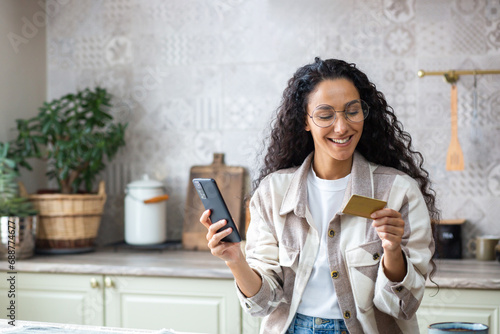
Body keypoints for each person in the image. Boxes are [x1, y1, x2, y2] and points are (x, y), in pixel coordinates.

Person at [199, 58, 438, 334]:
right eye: (326, 115)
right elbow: (263, 305)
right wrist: (235, 259)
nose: (341, 127)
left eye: (352, 111)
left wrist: (392, 252)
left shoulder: (399, 192)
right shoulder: (273, 193)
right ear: (305, 121)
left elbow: (403, 306)